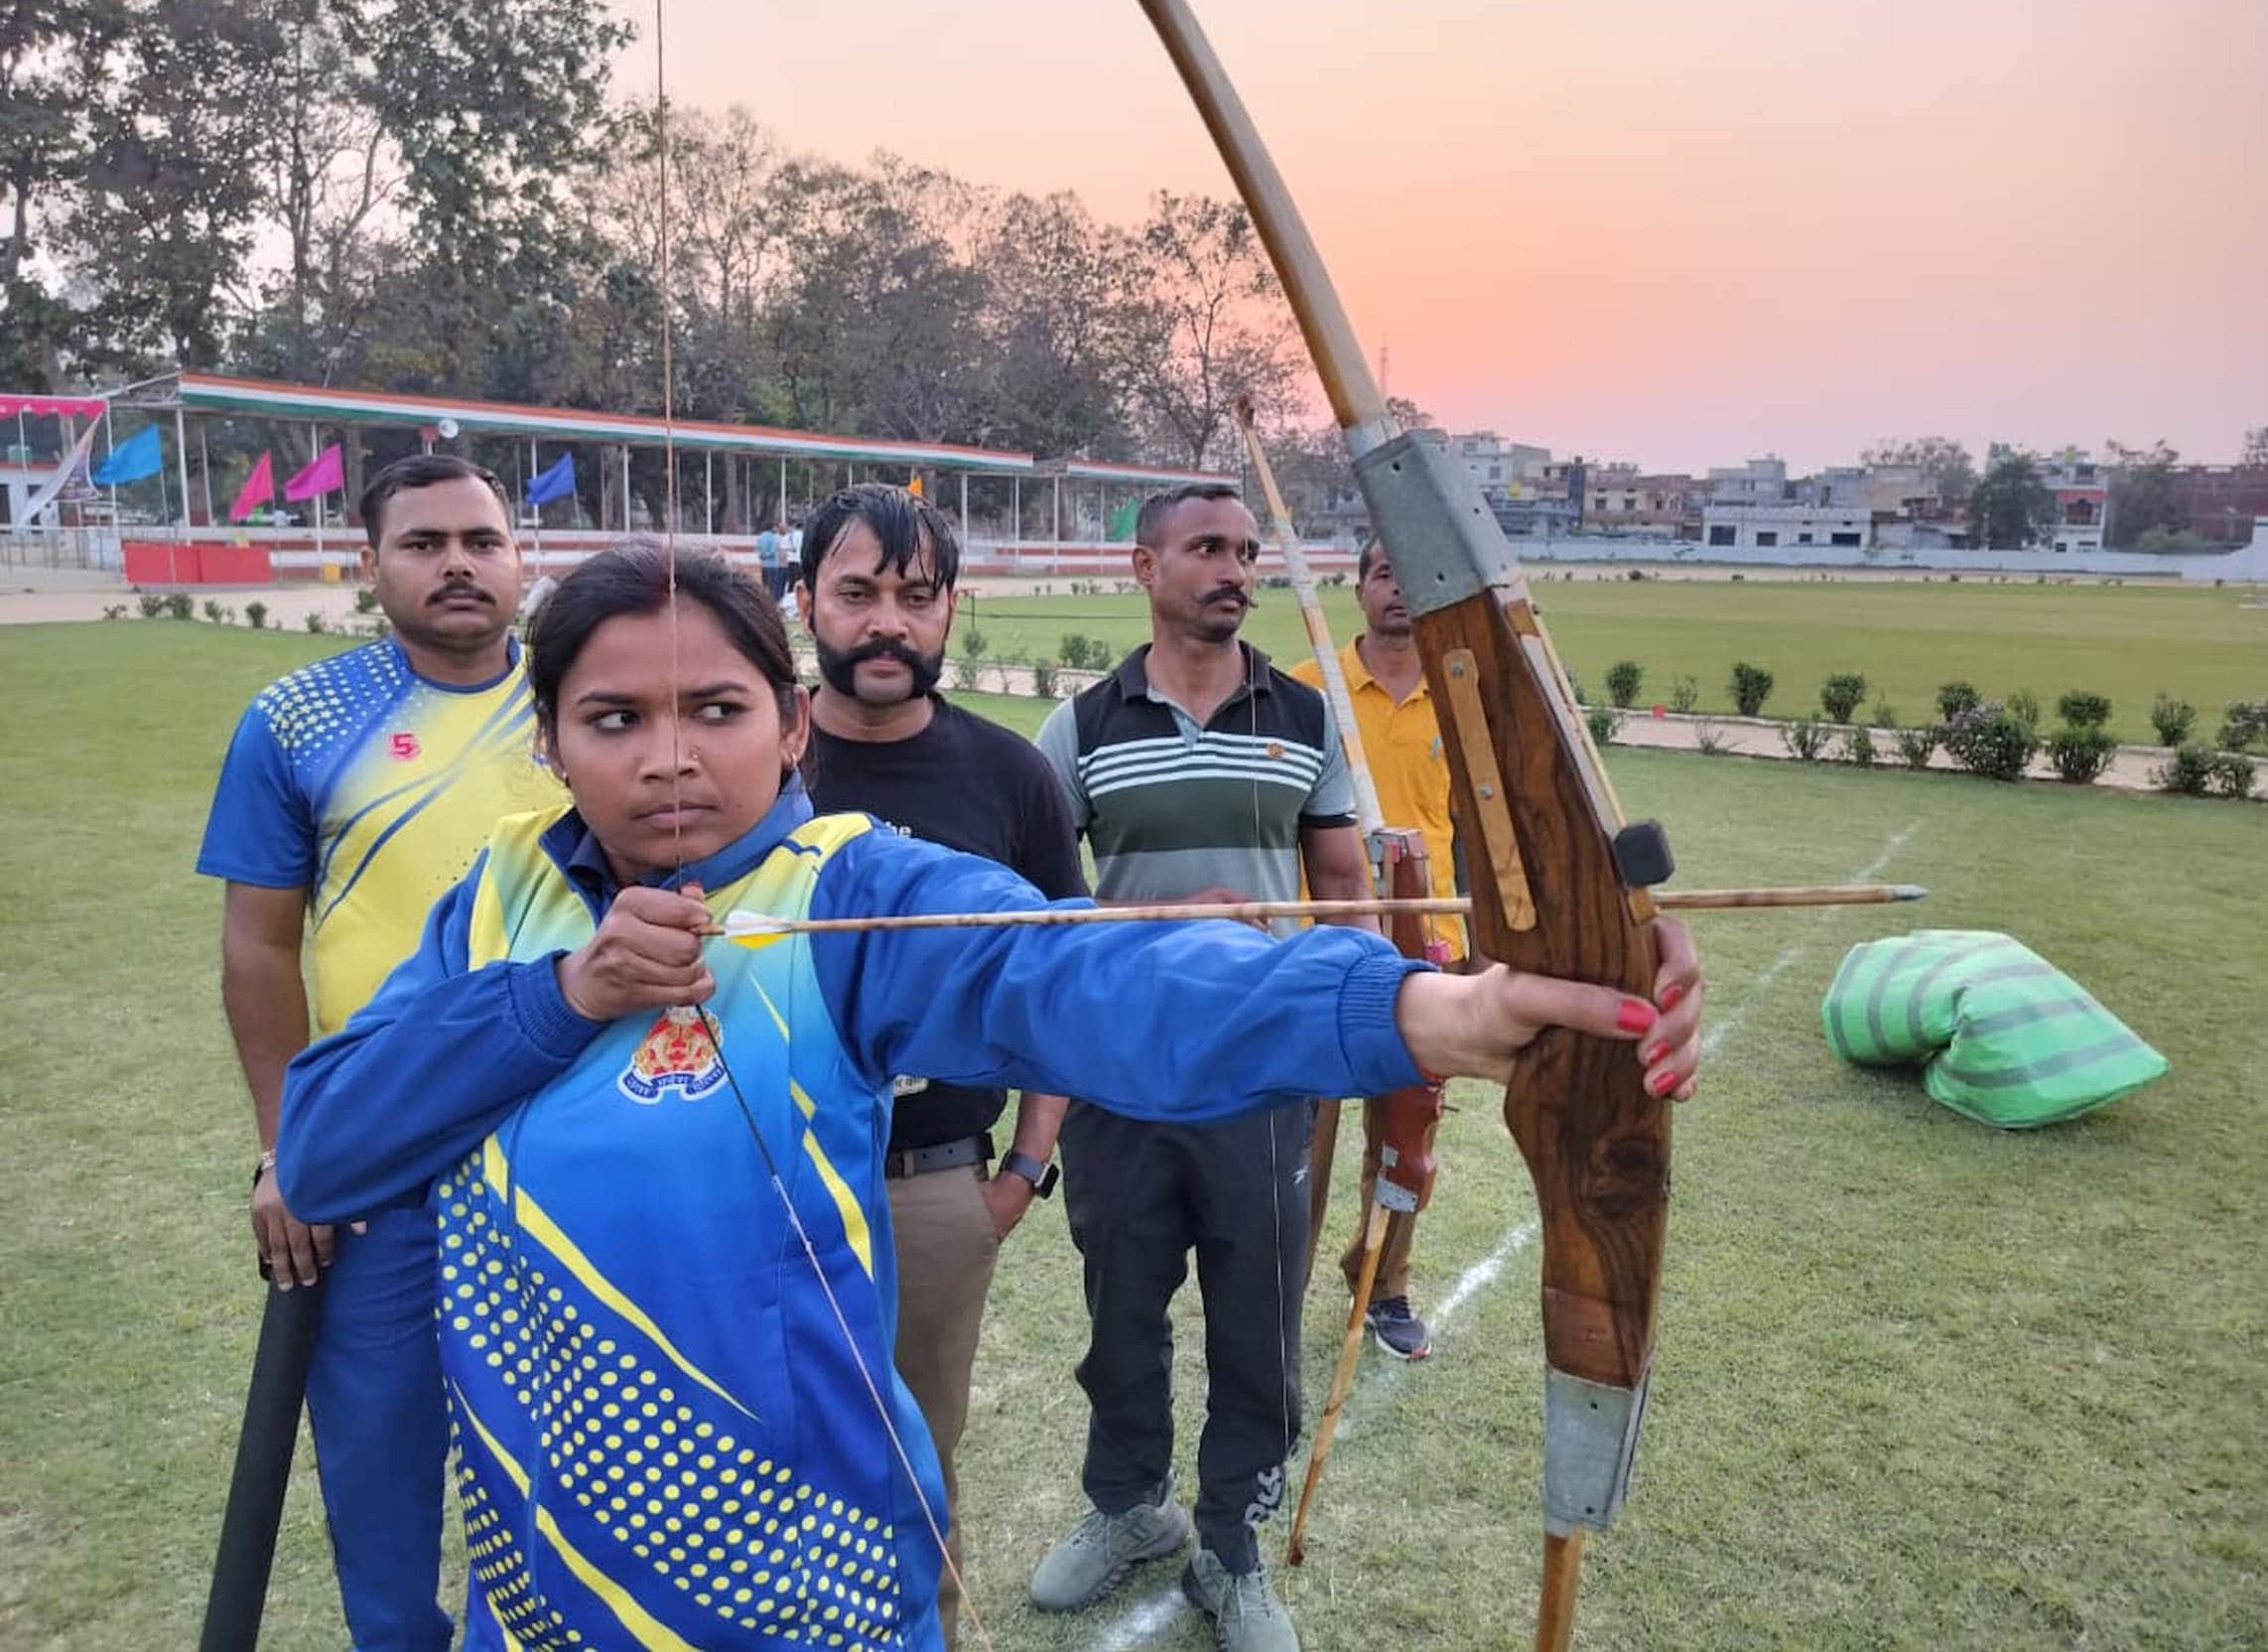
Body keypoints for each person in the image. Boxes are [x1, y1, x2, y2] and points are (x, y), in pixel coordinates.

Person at [272, 541, 1705, 1652]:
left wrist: (1434, 1012)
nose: (664, 757)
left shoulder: (849, 891)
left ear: (788, 728)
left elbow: (1083, 985)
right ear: (548, 742)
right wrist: (565, 994)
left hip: (799, 1575)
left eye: (715, 709)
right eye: (611, 717)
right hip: (550, 1592)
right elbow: (331, 1141)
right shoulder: (500, 904)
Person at [197, 453, 562, 1652]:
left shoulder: (581, 702)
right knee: (381, 1464)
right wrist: (287, 1144)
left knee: (572, 1455)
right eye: (422, 542)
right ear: (370, 564)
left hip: (556, 1137)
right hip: (375, 1151)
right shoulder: (299, 716)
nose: (457, 562)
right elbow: (258, 948)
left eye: (481, 539)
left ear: (522, 559)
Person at [1027, 483, 1376, 1650]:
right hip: (1120, 1069)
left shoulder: (1307, 715)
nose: (1233, 568)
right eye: (1206, 548)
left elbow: (1346, 894)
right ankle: (1129, 1507)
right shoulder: (1079, 726)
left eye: (1245, 549)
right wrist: (1162, 913)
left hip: (1260, 1071)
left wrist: (1352, 1015)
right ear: (1144, 564)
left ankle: (1231, 1547)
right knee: (1120, 1310)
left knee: (1255, 1318)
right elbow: (1037, 914)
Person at [794, 482, 1086, 1647]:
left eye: (915, 598)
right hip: (763, 1163)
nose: (886, 623)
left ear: (950, 609)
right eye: (856, 592)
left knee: (917, 1452)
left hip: (935, 1182)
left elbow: (1065, 978)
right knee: (756, 1435)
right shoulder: (750, 755)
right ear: (805, 599)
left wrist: (1024, 1166)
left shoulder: (1011, 775)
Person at [1289, 538, 1464, 1362]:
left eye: (1412, 574)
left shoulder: (1464, 698)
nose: (1398, 590)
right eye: (1384, 574)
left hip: (1427, 945)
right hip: (1324, 946)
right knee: (1305, 1134)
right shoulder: (1307, 687)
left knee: (1407, 1134)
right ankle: (1281, 1279)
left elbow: (1478, 834)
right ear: (1358, 588)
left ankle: (1384, 1283)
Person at [755, 515, 787, 602]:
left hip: (764, 565)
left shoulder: (761, 536)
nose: (777, 529)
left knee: (765, 585)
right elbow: (773, 551)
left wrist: (762, 556)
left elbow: (757, 549)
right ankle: (772, 603)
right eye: (776, 527)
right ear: (772, 528)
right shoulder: (773, 538)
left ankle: (763, 601)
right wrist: (767, 555)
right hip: (773, 565)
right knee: (773, 587)